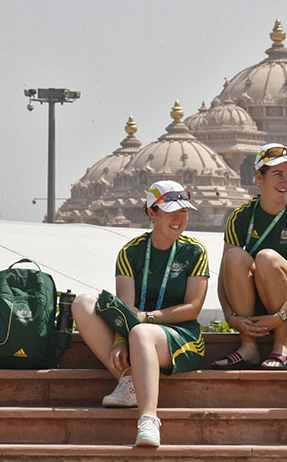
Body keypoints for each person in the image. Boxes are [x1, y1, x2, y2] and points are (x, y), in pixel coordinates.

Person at [71, 180, 209, 447]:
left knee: (142, 333)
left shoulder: (195, 250)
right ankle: (128, 382)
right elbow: (125, 309)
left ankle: (148, 418)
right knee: (83, 302)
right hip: (138, 330)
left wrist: (148, 319)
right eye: (171, 211)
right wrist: (120, 340)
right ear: (151, 213)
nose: (179, 218)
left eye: (184, 211)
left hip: (181, 336)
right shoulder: (131, 251)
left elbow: (192, 308)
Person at [212, 143, 287, 369]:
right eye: (277, 174)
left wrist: (280, 317)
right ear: (259, 177)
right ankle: (248, 347)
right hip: (263, 309)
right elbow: (224, 276)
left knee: (267, 258)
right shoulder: (241, 216)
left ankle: (282, 346)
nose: (285, 182)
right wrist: (231, 317)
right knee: (235, 257)